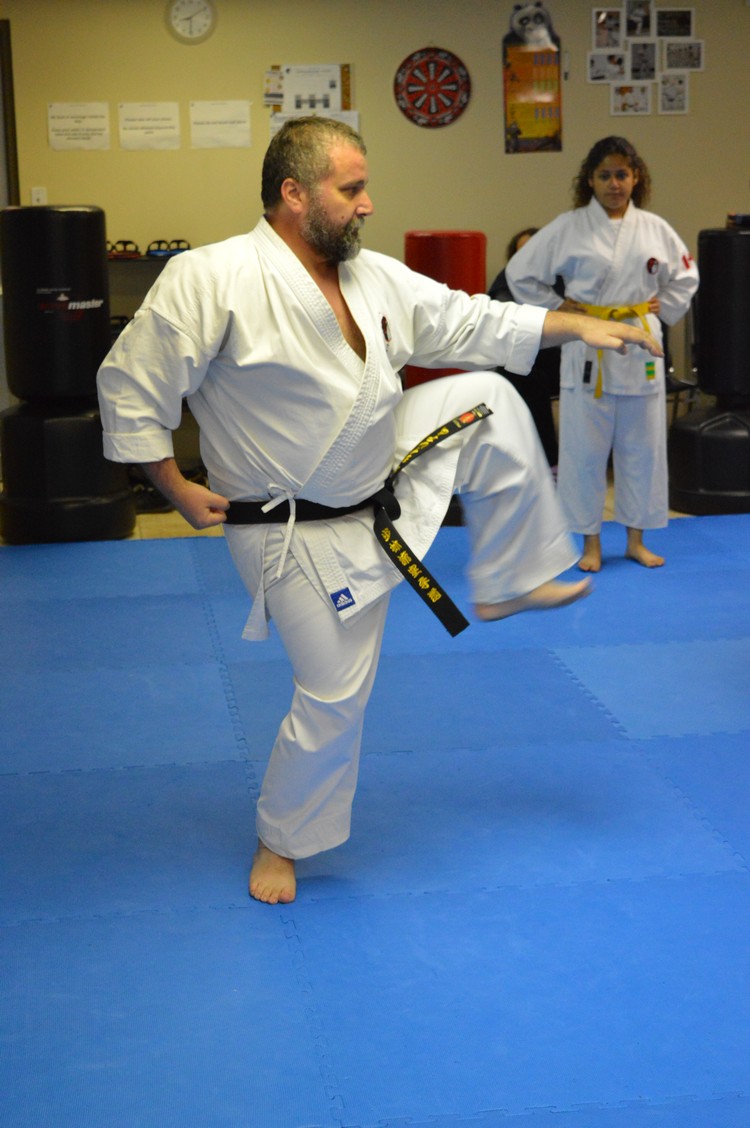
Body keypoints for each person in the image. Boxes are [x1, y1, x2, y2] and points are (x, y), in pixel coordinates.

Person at [96, 117, 661, 904]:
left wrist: (579, 325)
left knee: (489, 395)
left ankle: (513, 574)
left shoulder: (373, 278)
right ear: (295, 194)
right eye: (352, 188)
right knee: (334, 696)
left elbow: (473, 319)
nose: (367, 204)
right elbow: (132, 383)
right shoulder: (210, 277)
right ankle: (280, 841)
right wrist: (172, 485)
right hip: (288, 525)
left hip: (374, 479)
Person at [506, 135, 698, 572]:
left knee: (643, 448)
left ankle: (636, 541)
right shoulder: (569, 226)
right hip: (588, 339)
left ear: (636, 178)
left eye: (622, 174)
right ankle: (589, 543)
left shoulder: (655, 228)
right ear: (589, 180)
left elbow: (686, 277)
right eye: (605, 175)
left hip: (639, 341)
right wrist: (557, 306)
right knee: (583, 450)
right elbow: (521, 273)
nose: (614, 183)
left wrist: (664, 304)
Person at [488, 228, 561, 470]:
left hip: (567, 356)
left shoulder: (565, 278)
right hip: (530, 358)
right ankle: (548, 462)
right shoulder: (506, 283)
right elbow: (505, 327)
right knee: (524, 377)